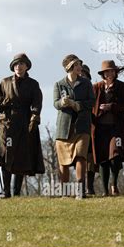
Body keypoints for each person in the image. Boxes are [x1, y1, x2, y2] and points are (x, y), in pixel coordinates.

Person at [0, 53, 45, 198]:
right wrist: (0, 103)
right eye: (16, 64)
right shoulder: (4, 82)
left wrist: (34, 117)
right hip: (6, 123)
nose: (18, 66)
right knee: (5, 155)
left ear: (26, 66)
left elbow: (37, 103)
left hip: (24, 123)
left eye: (21, 64)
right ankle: (5, 191)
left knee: (21, 156)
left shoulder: (33, 84)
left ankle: (16, 192)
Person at [53, 54, 95, 199]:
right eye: (77, 65)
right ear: (69, 67)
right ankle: (64, 192)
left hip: (82, 126)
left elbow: (92, 102)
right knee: (63, 161)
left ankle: (80, 190)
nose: (79, 67)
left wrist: (77, 105)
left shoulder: (86, 83)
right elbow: (55, 103)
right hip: (64, 128)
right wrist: (63, 103)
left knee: (81, 157)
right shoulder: (59, 84)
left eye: (80, 64)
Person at [91, 60, 124, 196]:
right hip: (100, 129)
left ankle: (114, 184)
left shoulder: (122, 87)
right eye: (107, 71)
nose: (109, 74)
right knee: (103, 159)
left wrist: (112, 107)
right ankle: (104, 191)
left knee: (115, 156)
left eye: (112, 71)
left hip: (117, 128)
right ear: (103, 74)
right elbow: (90, 106)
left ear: (115, 72)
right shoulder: (96, 87)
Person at [79, 64, 97, 195]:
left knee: (90, 158)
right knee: (80, 157)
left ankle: (89, 187)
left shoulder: (93, 89)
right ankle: (81, 186)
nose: (81, 76)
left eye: (84, 74)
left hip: (92, 126)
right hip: (78, 126)